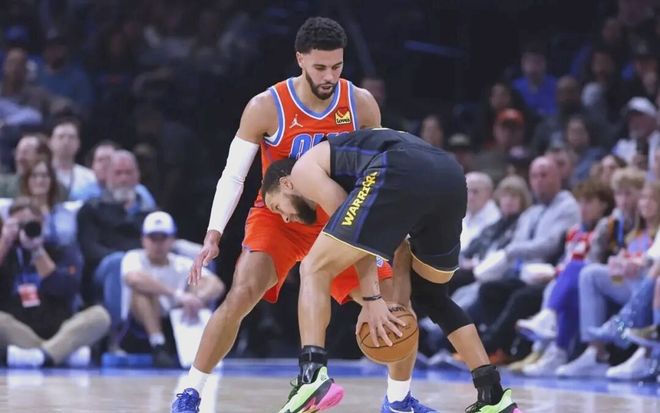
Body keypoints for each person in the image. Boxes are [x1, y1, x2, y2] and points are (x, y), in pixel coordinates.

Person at [172, 17, 434, 413]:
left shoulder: (360, 104)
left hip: (339, 216)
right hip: (280, 216)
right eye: (320, 67)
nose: (329, 76)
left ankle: (398, 400)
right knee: (242, 293)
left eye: (337, 66)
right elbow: (234, 175)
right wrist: (213, 233)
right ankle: (190, 393)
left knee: (396, 303)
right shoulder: (265, 106)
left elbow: (378, 172)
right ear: (300, 59)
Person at [261, 128, 521, 413]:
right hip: (450, 176)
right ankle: (493, 396)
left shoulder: (303, 170)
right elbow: (400, 248)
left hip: (399, 167)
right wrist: (395, 305)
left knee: (313, 267)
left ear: (286, 184)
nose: (285, 218)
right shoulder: (360, 175)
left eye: (277, 206)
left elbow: (357, 237)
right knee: (433, 296)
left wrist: (372, 300)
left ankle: (311, 376)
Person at [120, 211, 225, 368]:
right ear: (143, 239)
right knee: (141, 291)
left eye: (163, 238)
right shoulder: (133, 257)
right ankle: (157, 344)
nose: (158, 244)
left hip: (176, 323)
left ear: (172, 240)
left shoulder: (181, 263)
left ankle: (197, 344)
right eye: (153, 238)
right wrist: (177, 294)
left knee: (198, 283)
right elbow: (133, 278)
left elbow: (217, 285)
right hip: (139, 327)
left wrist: (198, 298)